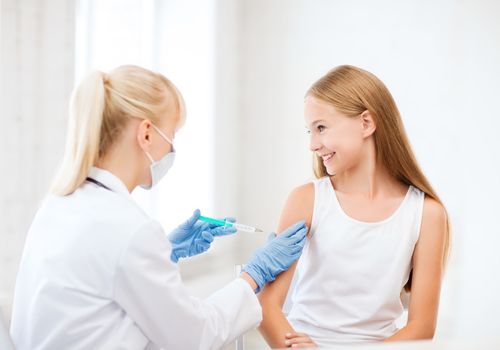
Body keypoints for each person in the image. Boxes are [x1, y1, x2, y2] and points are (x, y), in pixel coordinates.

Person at [9, 65, 308, 350]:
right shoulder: (129, 229)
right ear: (147, 134)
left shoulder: (59, 204)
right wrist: (254, 275)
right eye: (172, 136)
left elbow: (104, 284)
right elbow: (195, 336)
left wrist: (165, 251)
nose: (172, 150)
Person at [258, 65, 450, 348]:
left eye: (321, 127)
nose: (312, 144)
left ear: (366, 123)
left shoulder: (428, 213)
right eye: (309, 131)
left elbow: (421, 327)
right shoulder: (306, 200)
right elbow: (266, 307)